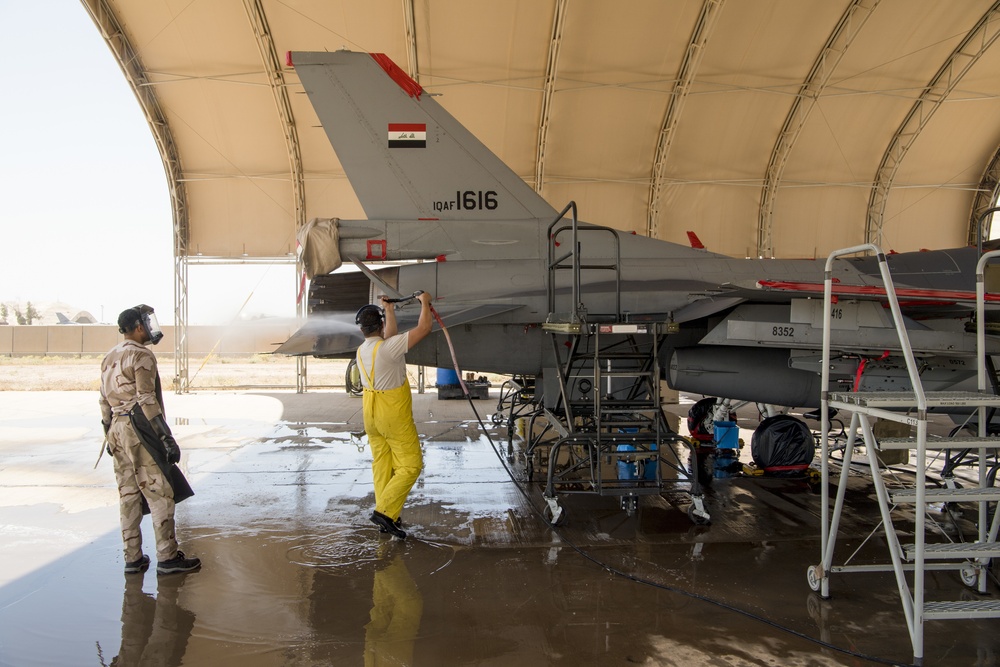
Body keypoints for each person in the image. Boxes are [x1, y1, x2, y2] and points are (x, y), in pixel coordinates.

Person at [99, 305, 201, 575]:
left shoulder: (109, 357)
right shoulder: (141, 355)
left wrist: (109, 435)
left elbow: (103, 401)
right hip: (138, 428)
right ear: (138, 327)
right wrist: (166, 438)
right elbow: (146, 399)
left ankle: (133, 559)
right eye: (147, 322)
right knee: (160, 494)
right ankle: (168, 558)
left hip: (116, 429)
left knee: (129, 495)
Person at [355, 292, 433, 539]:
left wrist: (388, 310)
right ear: (379, 325)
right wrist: (425, 302)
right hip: (392, 413)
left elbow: (387, 339)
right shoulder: (388, 348)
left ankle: (388, 512)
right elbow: (424, 328)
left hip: (371, 413)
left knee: (383, 464)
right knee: (410, 465)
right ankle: (385, 513)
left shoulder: (363, 350)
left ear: (362, 329)